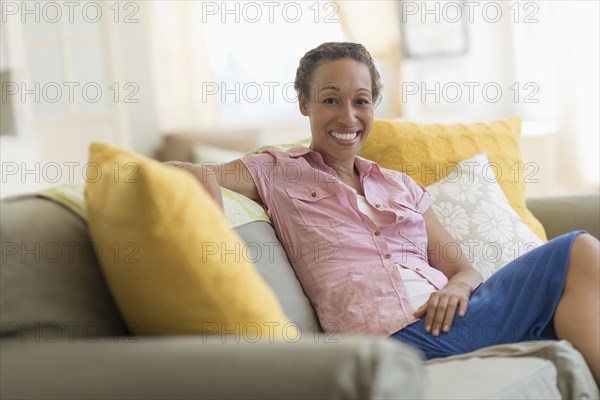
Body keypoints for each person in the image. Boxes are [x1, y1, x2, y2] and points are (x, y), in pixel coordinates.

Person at [166, 42, 600, 384]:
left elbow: (464, 269)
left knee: (579, 260)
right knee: (579, 249)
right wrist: (209, 229)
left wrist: (458, 290)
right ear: (304, 103)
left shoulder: (399, 184)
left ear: (373, 105)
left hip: (457, 317)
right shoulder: (275, 171)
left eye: (361, 101)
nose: (348, 117)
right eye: (331, 100)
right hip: (390, 339)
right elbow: (175, 172)